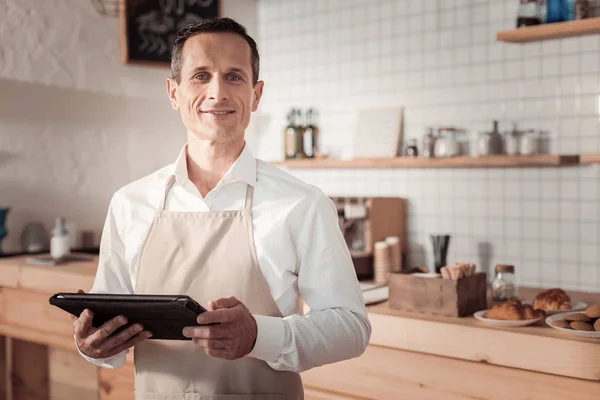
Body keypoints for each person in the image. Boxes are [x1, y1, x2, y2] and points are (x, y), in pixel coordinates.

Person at [72, 17, 370, 399]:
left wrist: (259, 336)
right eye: (200, 76)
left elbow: (351, 327)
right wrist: (91, 347)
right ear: (173, 93)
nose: (217, 92)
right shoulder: (130, 203)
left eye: (234, 76)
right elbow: (106, 328)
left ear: (256, 94)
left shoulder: (303, 203)